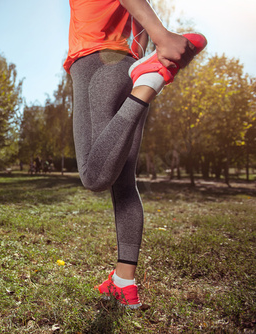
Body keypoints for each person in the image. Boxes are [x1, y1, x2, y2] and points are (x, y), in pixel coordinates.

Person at [64, 0, 207, 308]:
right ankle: (124, 283)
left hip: (93, 64)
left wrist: (162, 37)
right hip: (124, 67)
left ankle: (148, 84)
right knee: (124, 183)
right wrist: (140, 53)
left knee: (94, 176)